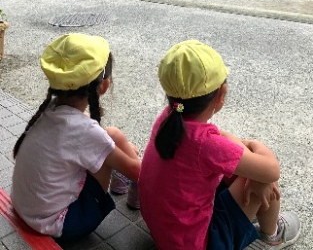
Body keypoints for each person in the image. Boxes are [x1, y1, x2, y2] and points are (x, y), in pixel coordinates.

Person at [139, 40, 301, 250]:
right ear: (222, 94)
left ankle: (251, 214)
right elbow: (271, 170)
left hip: (167, 231)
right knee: (264, 182)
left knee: (250, 171)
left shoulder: (169, 118)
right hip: (199, 244)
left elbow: (220, 143)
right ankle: (271, 235)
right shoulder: (204, 144)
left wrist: (247, 159)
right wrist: (253, 144)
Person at [11, 33, 141, 242]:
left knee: (109, 138)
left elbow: (83, 136)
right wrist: (131, 155)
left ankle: (121, 179)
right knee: (110, 148)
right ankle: (130, 187)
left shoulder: (48, 112)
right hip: (60, 225)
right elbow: (137, 170)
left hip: (27, 210)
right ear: (104, 86)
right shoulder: (86, 132)